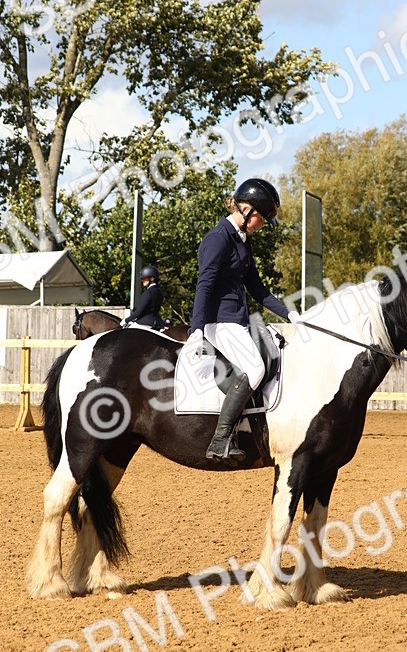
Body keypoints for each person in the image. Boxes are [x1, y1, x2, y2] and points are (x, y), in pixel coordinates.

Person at [188, 178, 300, 461]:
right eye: (262, 219)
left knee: (275, 352)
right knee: (254, 369)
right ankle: (220, 439)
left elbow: (259, 291)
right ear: (247, 209)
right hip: (219, 322)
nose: (262, 225)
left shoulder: (242, 242)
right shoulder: (218, 238)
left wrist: (292, 314)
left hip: (237, 322)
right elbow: (205, 285)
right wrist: (196, 330)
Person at [123, 265, 164, 330]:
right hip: (158, 323)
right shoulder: (159, 292)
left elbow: (138, 312)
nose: (142, 280)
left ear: (152, 279)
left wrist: (126, 320)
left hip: (145, 323)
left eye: (144, 278)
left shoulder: (148, 292)